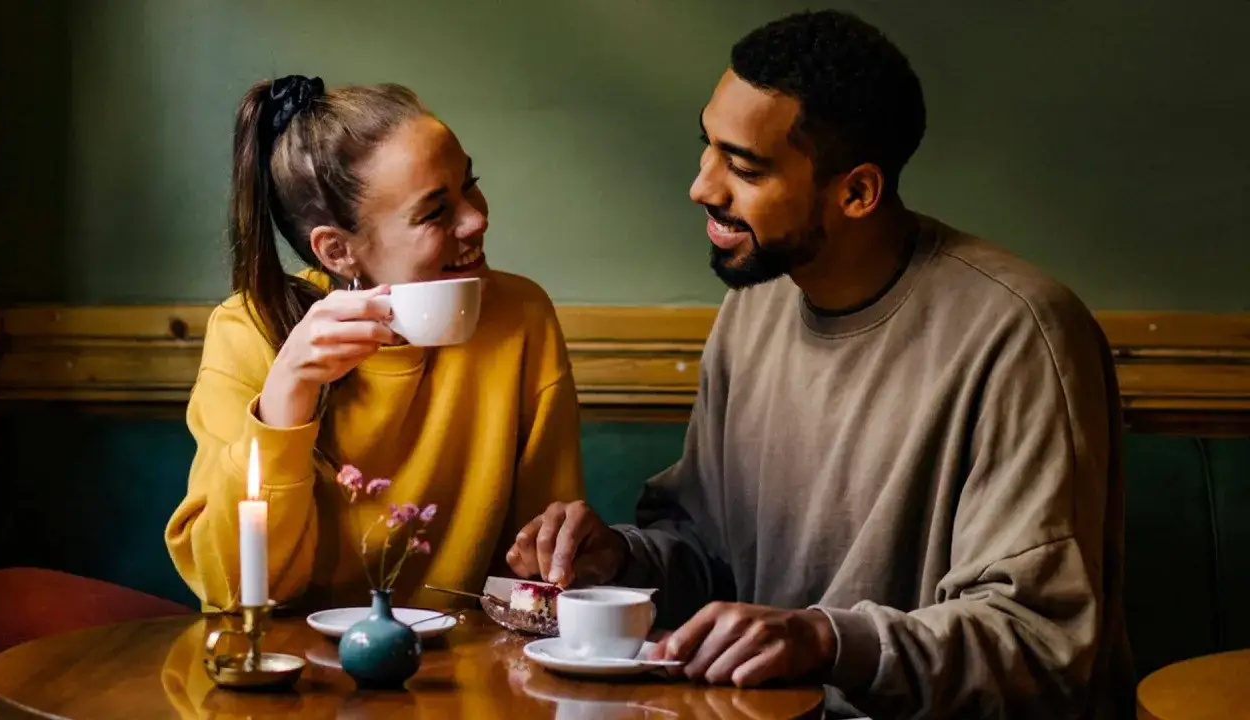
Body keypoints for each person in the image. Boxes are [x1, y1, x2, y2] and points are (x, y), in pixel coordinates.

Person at [506, 10, 1134, 718]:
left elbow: (1039, 645)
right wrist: (618, 561)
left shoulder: (1022, 335)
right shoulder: (758, 302)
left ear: (858, 192)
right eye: (707, 148)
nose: (703, 187)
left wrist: (828, 641)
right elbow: (709, 554)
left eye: (743, 167)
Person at [166, 76, 584, 614]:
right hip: (294, 672)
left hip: (465, 671)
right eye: (435, 212)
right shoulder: (250, 331)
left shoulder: (519, 317)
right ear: (338, 251)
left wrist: (565, 549)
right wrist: (285, 398)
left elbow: (540, 574)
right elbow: (232, 592)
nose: (477, 218)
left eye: (469, 183)